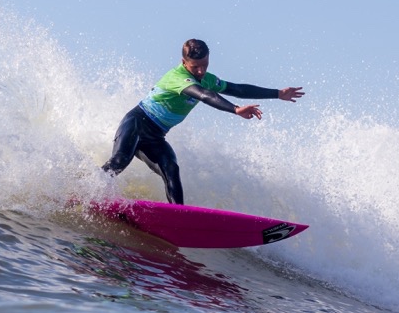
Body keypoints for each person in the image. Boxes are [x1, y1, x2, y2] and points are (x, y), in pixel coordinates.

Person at [101, 39, 304, 205]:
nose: (200, 71)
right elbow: (204, 95)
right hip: (137, 122)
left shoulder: (207, 77)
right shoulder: (177, 77)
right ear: (184, 62)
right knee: (119, 161)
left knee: (171, 169)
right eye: (195, 67)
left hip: (156, 136)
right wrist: (235, 109)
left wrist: (277, 94)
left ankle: (177, 218)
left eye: (204, 65)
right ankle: (88, 190)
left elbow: (238, 89)